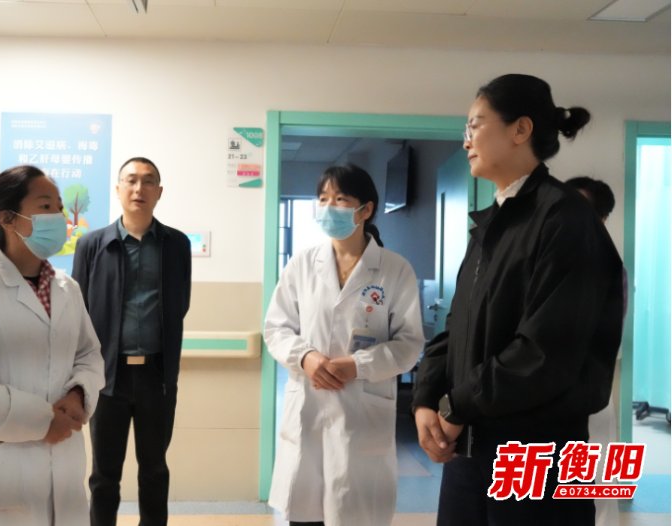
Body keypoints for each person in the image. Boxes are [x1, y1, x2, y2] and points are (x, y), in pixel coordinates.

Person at [412, 74, 624, 526]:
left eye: (475, 125)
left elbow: (544, 352)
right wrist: (427, 397)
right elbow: (457, 325)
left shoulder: (565, 220)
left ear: (520, 129)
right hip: (470, 451)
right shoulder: (493, 222)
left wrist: (456, 405)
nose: (465, 140)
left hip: (534, 459)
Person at [0, 165, 105, 526]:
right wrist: (43, 421)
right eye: (45, 206)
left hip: (63, 466)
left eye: (59, 207)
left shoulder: (67, 289)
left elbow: (88, 354)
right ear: (8, 218)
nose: (58, 217)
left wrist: (78, 393)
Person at [264, 164, 425, 526]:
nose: (328, 207)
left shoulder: (395, 269)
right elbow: (276, 327)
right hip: (309, 405)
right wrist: (306, 357)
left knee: (354, 514)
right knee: (305, 514)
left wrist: (358, 365)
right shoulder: (302, 264)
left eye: (339, 199)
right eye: (322, 199)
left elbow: (409, 344)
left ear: (365, 210)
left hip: (361, 413)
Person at [72, 156, 191, 526]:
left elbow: (180, 304)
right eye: (131, 180)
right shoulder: (92, 245)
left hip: (157, 376)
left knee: (154, 471)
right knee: (104, 476)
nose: (139, 189)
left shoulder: (176, 244)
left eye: (148, 181)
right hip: (108, 377)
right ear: (118, 189)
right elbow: (77, 312)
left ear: (159, 191)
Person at [566, 175, 620, 526]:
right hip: (546, 408)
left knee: (592, 495)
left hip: (587, 398)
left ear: (600, 219)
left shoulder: (606, 269)